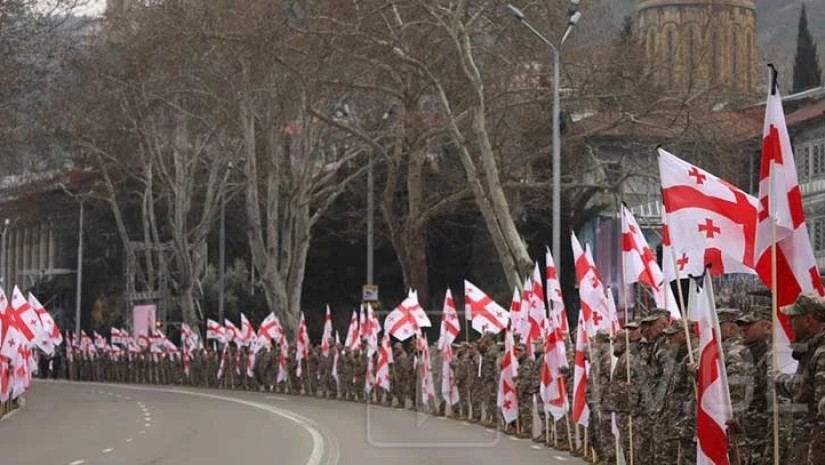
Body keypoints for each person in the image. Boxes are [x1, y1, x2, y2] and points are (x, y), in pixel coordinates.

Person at [775, 294, 825, 465]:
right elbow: (802, 388)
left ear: (807, 320)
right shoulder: (811, 349)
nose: (788, 323)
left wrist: (815, 458)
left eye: (793, 318)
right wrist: (778, 379)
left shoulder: (821, 353)